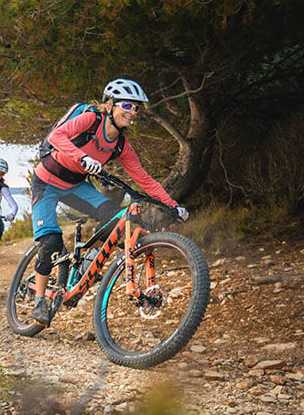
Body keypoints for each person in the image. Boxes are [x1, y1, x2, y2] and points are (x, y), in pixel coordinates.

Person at [29, 78, 189, 324]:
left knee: (116, 218)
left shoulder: (121, 145)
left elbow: (144, 179)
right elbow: (57, 136)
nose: (132, 112)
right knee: (50, 241)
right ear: (109, 105)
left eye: (136, 108)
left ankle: (88, 261)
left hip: (76, 186)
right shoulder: (91, 119)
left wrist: (172, 205)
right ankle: (40, 301)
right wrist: (82, 156)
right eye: (126, 105)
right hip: (46, 183)